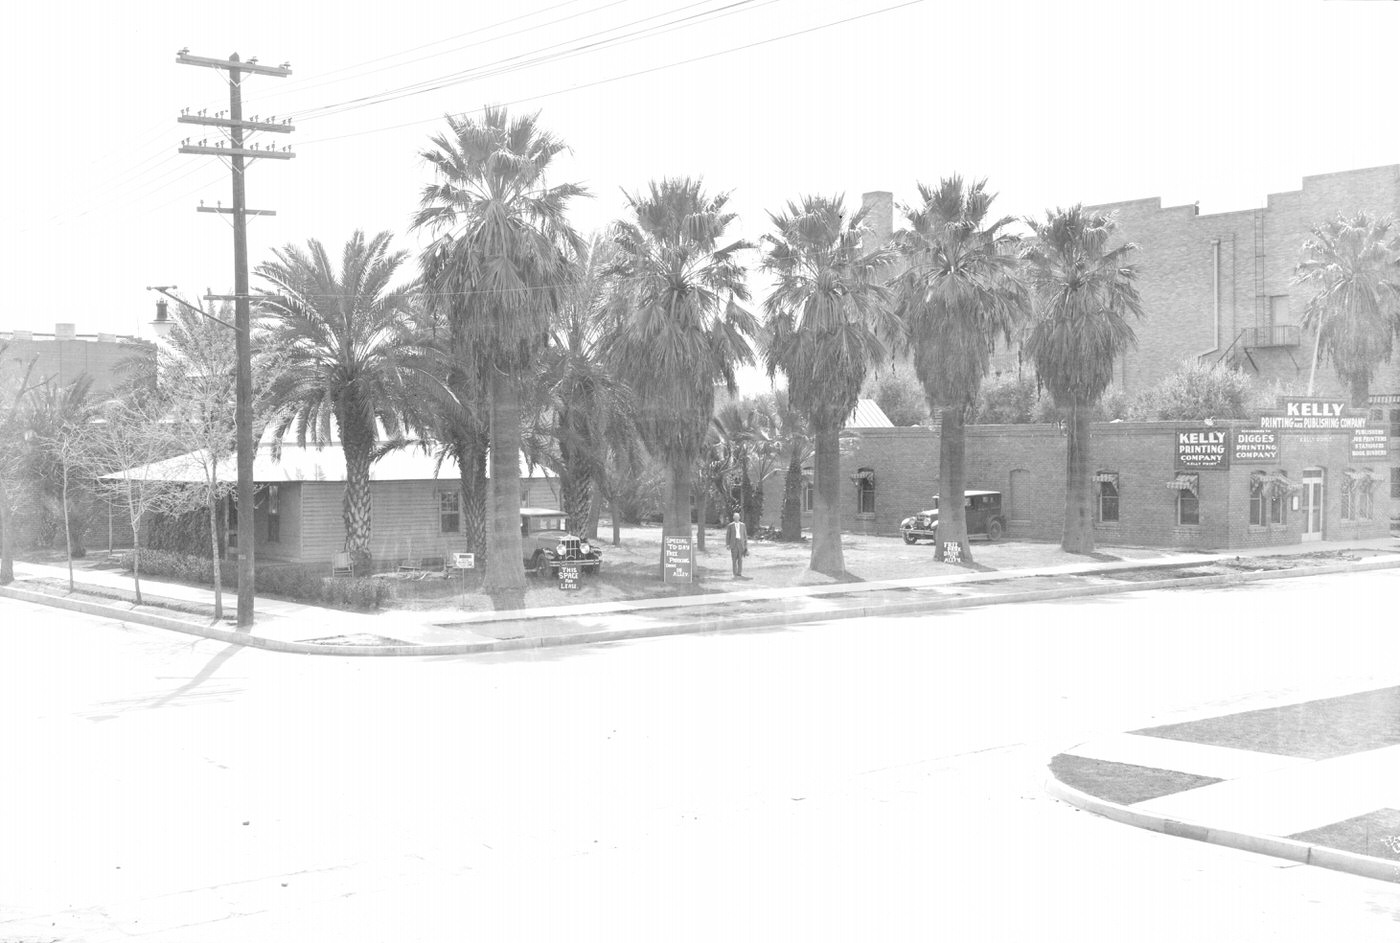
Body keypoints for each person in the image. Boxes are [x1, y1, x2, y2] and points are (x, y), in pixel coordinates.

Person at [724, 510, 748, 578]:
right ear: (733, 518)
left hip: (741, 543)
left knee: (740, 559)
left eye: (738, 517)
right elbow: (728, 535)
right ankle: (734, 573)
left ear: (739, 518)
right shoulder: (730, 525)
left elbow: (745, 536)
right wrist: (727, 544)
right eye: (735, 517)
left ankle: (739, 572)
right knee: (734, 559)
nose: (737, 518)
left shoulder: (743, 525)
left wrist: (746, 546)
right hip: (733, 544)